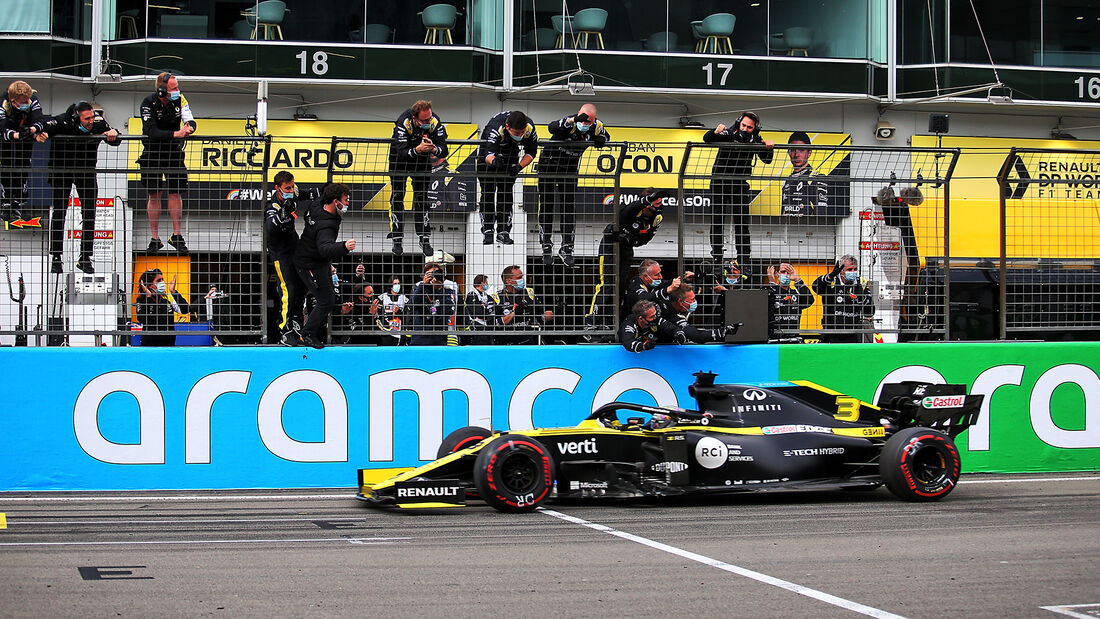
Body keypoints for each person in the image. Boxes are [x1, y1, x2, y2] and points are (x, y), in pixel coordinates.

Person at [43, 101, 120, 274]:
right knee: (59, 212)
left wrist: (113, 133)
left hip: (86, 172)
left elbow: (115, 139)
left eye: (92, 116)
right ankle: (56, 257)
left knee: (90, 213)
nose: (91, 121)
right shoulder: (62, 122)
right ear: (77, 118)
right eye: (87, 118)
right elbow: (43, 127)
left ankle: (85, 258)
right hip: (61, 172)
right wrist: (41, 133)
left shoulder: (98, 122)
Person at [536, 103, 609, 267]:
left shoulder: (596, 127)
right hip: (548, 165)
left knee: (568, 207)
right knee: (547, 205)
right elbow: (551, 127)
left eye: (588, 122)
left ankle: (567, 248)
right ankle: (546, 246)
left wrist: (601, 139)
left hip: (569, 169)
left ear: (594, 119)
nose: (584, 124)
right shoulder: (569, 123)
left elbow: (606, 135)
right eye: (582, 119)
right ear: (578, 114)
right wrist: (574, 120)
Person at [585, 188, 667, 329]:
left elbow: (644, 240)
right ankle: (592, 320)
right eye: (657, 202)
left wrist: (630, 239)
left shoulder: (656, 218)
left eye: (661, 203)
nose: (660, 206)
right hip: (610, 247)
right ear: (647, 203)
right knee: (607, 284)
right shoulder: (633, 210)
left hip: (627, 250)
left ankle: (609, 322)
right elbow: (628, 211)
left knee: (620, 288)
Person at [702, 111, 774, 267]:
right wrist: (715, 131)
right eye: (743, 125)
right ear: (738, 123)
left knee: (741, 223)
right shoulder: (728, 133)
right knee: (717, 221)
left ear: (755, 128)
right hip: (719, 184)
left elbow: (767, 160)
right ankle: (717, 257)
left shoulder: (755, 139)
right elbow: (707, 139)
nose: (745, 129)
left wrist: (769, 147)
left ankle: (743, 259)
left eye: (749, 127)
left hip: (740, 185)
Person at [137, 72, 196, 254]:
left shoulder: (180, 99)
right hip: (152, 152)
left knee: (175, 193)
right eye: (174, 88)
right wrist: (175, 134)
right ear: (162, 90)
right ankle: (155, 238)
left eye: (178, 87)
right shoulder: (148, 103)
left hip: (173, 152)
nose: (178, 91)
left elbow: (189, 117)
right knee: (154, 195)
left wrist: (190, 127)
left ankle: (176, 235)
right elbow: (150, 131)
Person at [293, 183, 356, 349]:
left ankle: (326, 330)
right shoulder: (327, 225)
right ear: (335, 201)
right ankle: (307, 334)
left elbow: (323, 190)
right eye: (345, 199)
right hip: (308, 263)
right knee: (325, 300)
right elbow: (325, 249)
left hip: (318, 261)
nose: (348, 203)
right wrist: (344, 246)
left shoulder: (317, 203)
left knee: (330, 297)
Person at [388, 100, 448, 256]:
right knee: (397, 196)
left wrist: (434, 148)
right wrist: (417, 149)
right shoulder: (404, 122)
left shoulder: (434, 121)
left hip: (421, 160)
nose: (428, 122)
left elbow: (444, 149)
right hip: (399, 160)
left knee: (422, 197)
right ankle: (397, 238)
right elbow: (402, 152)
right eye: (424, 120)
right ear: (414, 118)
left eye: (429, 118)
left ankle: (424, 238)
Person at [264, 170, 311, 345]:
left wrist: (326, 192)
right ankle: (285, 329)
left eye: (292, 186)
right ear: (277, 188)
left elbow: (307, 193)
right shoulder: (272, 207)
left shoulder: (294, 191)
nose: (291, 190)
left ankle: (297, 321)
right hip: (280, 255)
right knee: (288, 289)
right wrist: (283, 214)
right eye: (287, 188)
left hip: (295, 247)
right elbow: (271, 227)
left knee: (301, 287)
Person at [478, 110, 538, 245]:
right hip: (488, 157)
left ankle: (503, 231)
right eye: (517, 133)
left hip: (511, 155)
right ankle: (487, 229)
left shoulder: (529, 127)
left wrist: (519, 166)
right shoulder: (496, 128)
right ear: (507, 127)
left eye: (522, 132)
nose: (520, 135)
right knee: (487, 192)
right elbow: (488, 155)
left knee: (505, 193)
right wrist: (494, 162)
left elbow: (532, 152)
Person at [0, 80, 48, 222]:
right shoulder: (3, 103)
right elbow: (1, 126)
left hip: (25, 131)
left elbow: (40, 119)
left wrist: (32, 130)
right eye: (24, 101)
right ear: (13, 101)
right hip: (7, 135)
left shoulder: (31, 97)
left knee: (24, 164)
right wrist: (15, 135)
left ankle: (20, 202)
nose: (28, 101)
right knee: (6, 164)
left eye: (28, 99)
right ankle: (6, 202)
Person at [812, 254, 874, 343]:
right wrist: (830, 276)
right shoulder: (832, 281)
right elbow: (815, 287)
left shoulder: (861, 283)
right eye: (849, 269)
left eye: (855, 269)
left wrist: (861, 300)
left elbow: (870, 312)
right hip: (831, 333)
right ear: (841, 271)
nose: (853, 272)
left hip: (853, 333)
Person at [493, 265, 554, 344]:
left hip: (527, 342)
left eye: (522, 277)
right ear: (508, 281)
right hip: (507, 344)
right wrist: (514, 313)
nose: (522, 280)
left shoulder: (529, 293)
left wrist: (551, 314)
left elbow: (540, 316)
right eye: (519, 278)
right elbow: (493, 324)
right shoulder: (497, 297)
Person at [134, 268, 191, 347]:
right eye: (158, 280)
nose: (162, 282)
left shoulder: (167, 299)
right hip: (149, 345)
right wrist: (149, 297)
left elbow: (185, 310)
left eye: (162, 279)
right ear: (150, 285)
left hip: (168, 344)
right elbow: (142, 319)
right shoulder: (141, 300)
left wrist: (174, 292)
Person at [660, 284, 735, 343]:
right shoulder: (667, 313)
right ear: (680, 302)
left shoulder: (674, 304)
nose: (695, 301)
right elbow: (696, 336)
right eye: (692, 300)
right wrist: (721, 332)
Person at [781, 131, 828, 216]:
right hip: (788, 228)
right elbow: (783, 212)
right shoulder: (786, 181)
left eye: (801, 150)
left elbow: (821, 214)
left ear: (809, 153)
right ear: (788, 152)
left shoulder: (815, 178)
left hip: (807, 228)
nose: (796, 154)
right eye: (792, 150)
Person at [407, 262, 455, 346]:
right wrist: (423, 285)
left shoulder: (446, 291)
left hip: (439, 340)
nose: (434, 277)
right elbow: (412, 305)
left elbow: (449, 310)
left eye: (436, 273)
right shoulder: (419, 289)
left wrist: (439, 289)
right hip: (419, 339)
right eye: (431, 274)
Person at [766, 262, 815, 335]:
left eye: (788, 272)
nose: (786, 275)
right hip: (775, 337)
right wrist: (772, 284)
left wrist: (798, 280)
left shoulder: (795, 292)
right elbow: (764, 306)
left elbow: (810, 301)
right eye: (783, 272)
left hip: (793, 336)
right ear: (777, 273)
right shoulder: (772, 291)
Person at [619, 299, 685, 353]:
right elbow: (628, 343)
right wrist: (644, 346)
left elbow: (669, 327)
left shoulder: (655, 318)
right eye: (651, 316)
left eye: (655, 314)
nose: (655, 317)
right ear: (641, 318)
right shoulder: (629, 324)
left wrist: (679, 334)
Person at [463, 273, 496, 344]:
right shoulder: (472, 295)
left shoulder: (486, 295)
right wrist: (487, 310)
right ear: (482, 283)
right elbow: (479, 313)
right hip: (477, 329)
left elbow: (494, 309)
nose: (488, 284)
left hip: (488, 329)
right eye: (486, 282)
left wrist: (486, 309)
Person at [376, 275, 408, 346]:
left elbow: (407, 316)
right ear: (390, 285)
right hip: (386, 332)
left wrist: (399, 311)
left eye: (398, 283)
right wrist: (392, 315)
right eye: (395, 284)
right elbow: (379, 315)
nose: (397, 285)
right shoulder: (382, 297)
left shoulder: (404, 298)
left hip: (399, 332)